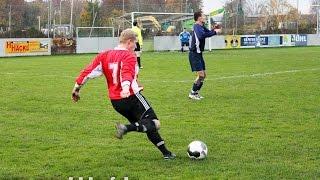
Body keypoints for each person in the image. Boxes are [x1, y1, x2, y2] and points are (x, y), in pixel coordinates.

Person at [71, 29, 176, 160]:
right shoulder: (129, 56)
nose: (135, 46)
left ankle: (166, 153)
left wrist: (76, 88)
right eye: (135, 43)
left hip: (116, 102)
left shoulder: (104, 55)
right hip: (131, 97)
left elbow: (87, 72)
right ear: (129, 42)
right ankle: (125, 128)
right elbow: (126, 73)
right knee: (155, 123)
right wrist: (126, 88)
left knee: (145, 124)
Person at [188, 11, 222, 100]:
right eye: (203, 16)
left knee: (204, 75)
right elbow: (201, 36)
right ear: (199, 18)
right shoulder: (196, 26)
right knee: (201, 75)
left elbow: (208, 33)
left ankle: (195, 93)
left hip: (199, 54)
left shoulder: (202, 27)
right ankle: (192, 93)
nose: (205, 17)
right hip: (194, 54)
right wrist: (215, 32)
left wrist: (214, 29)